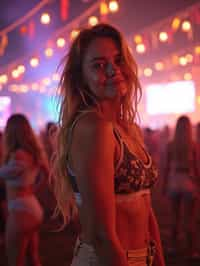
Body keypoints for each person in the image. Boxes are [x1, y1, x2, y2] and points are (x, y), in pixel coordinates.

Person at [52, 23, 165, 266]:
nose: (114, 71)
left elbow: (146, 209)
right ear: (81, 78)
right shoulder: (93, 127)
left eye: (118, 60)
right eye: (99, 65)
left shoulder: (127, 128)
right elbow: (102, 236)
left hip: (141, 257)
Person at [0, 114, 49, 266]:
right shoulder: (31, 153)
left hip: (20, 211)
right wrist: (33, 190)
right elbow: (46, 174)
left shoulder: (18, 156)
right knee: (33, 258)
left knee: (15, 261)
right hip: (31, 206)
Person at [163, 115, 199, 257]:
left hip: (174, 181)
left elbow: (166, 167)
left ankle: (172, 247)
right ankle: (192, 251)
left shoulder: (171, 144)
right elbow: (196, 168)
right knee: (190, 219)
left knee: (174, 217)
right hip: (188, 181)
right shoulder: (193, 144)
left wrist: (164, 186)